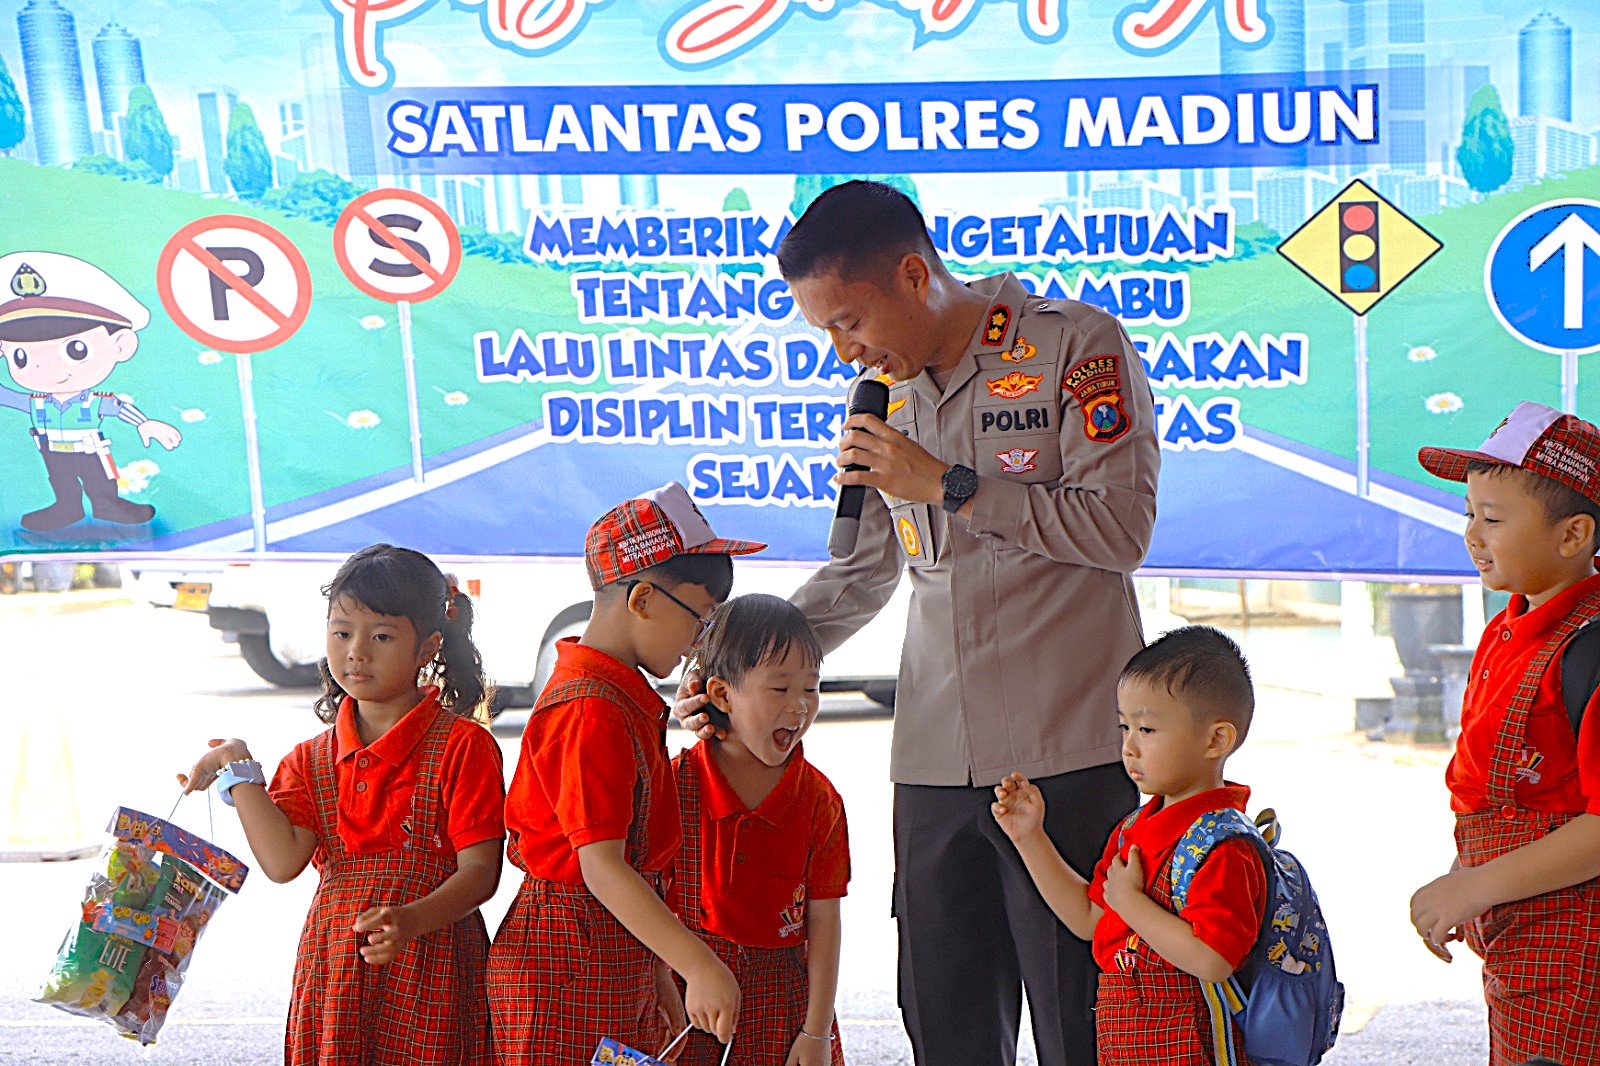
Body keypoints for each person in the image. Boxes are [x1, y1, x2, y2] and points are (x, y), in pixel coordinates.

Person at [678, 179, 1160, 1065]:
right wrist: (727, 665)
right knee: (943, 1018)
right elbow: (863, 572)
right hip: (936, 761)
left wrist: (951, 485)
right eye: (825, 332)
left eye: (849, 321)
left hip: (1070, 749)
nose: (843, 351)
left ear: (912, 274)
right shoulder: (881, 396)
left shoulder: (1071, 345)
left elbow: (1120, 530)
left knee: (1083, 1017)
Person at [178, 544, 504, 1065]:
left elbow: (481, 873)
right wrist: (237, 767)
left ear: (427, 647)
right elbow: (282, 862)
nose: (357, 652)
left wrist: (411, 921)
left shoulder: (463, 747)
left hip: (435, 968)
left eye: (381, 636)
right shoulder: (309, 759)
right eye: (342, 632)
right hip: (334, 975)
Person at [488, 482, 763, 1062]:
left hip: (610, 946)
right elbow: (603, 867)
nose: (700, 644)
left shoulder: (620, 694)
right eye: (700, 620)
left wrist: (659, 972)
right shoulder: (590, 709)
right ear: (641, 599)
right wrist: (698, 964)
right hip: (565, 965)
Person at [1409, 401, 1600, 1066]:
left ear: (1572, 535)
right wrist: (1467, 875)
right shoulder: (1507, 629)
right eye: (1468, 513)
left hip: (1576, 941)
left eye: (1492, 519)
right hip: (1517, 922)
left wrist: (1476, 886)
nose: (1472, 534)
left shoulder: (1590, 651)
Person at [992, 626, 1267, 1065]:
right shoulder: (1134, 829)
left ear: (1216, 739)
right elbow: (1090, 919)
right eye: (1125, 727)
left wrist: (1130, 902)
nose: (1129, 747)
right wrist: (1030, 838)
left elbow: (1214, 959)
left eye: (1147, 729)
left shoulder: (1224, 848)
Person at [668, 594, 849, 1066]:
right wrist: (660, 989)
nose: (799, 706)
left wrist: (815, 1032)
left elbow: (824, 922)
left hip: (783, 1009)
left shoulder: (819, 800)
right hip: (686, 997)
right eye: (779, 688)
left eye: (811, 688)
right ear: (722, 694)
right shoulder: (674, 786)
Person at [0, 252, 183, 532]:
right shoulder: (37, 402)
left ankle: (107, 505)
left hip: (88, 449)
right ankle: (66, 508)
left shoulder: (93, 401)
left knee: (99, 480)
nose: (44, 368)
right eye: (20, 356)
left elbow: (119, 408)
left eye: (76, 349)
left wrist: (144, 423)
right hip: (52, 450)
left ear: (121, 345)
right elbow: (5, 395)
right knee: (61, 481)